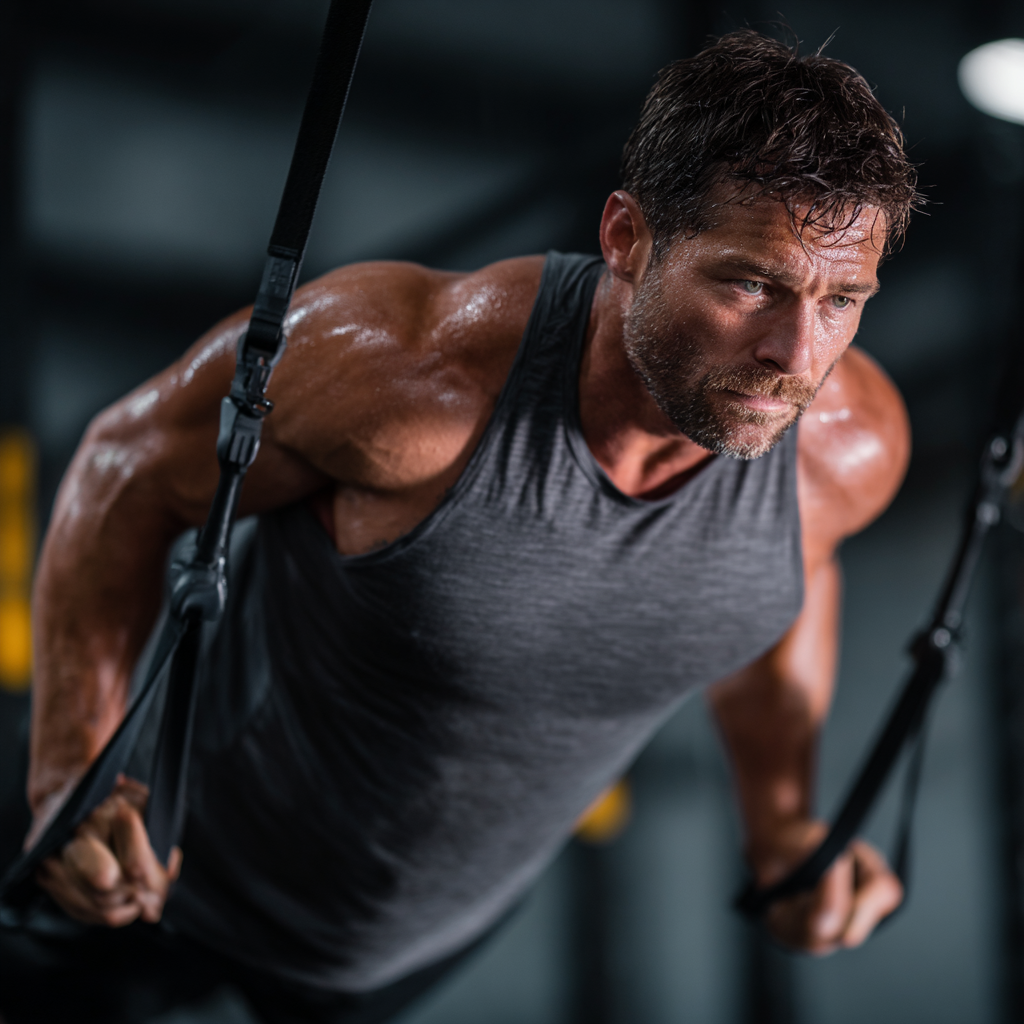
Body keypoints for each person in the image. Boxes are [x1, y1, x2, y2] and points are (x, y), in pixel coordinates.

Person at [3, 28, 919, 1024]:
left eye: (842, 298)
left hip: (393, 958)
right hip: (144, 876)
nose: (798, 350)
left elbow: (781, 586)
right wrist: (69, 773)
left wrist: (782, 822)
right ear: (627, 237)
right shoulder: (407, 379)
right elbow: (125, 468)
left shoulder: (845, 451)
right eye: (750, 283)